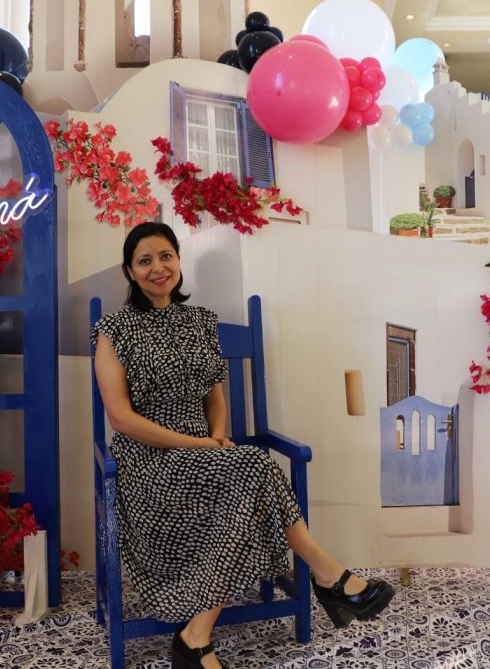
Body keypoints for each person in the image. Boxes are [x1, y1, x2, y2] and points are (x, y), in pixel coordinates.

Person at [92, 222, 394, 669]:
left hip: (204, 454)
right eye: (145, 261)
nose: (158, 268)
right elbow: (120, 418)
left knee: (249, 472)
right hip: (149, 463)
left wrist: (216, 436)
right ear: (130, 271)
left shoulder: (201, 321)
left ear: (178, 260)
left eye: (166, 256)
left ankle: (197, 636)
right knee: (254, 467)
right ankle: (328, 576)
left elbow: (215, 395)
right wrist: (199, 444)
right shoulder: (114, 329)